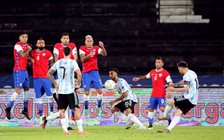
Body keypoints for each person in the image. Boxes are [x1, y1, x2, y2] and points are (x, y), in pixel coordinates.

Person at [47, 47, 87, 135]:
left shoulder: (58, 62)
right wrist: (79, 84)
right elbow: (79, 74)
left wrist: (55, 83)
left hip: (61, 91)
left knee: (62, 111)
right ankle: (80, 131)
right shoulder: (72, 62)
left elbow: (49, 73)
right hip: (70, 90)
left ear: (62, 52)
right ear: (71, 53)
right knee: (76, 109)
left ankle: (65, 131)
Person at [157, 61, 199, 133]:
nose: (179, 70)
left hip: (188, 98)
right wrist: (175, 84)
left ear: (181, 67)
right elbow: (184, 82)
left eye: (179, 69)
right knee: (178, 113)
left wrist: (173, 89)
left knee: (170, 102)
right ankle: (168, 129)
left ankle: (165, 116)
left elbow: (186, 89)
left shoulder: (186, 75)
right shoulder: (192, 73)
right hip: (194, 100)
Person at [132, 57, 172, 129]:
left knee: (162, 108)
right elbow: (146, 76)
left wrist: (170, 91)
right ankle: (150, 125)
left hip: (161, 94)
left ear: (162, 63)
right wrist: (138, 78)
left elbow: (170, 82)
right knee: (151, 109)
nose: (157, 63)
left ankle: (169, 119)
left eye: (159, 62)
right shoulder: (152, 72)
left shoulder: (165, 73)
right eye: (156, 62)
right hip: (153, 94)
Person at [5, 31, 32, 120]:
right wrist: (28, 50)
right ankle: (8, 108)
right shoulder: (17, 45)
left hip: (24, 71)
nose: (25, 38)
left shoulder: (26, 45)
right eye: (23, 37)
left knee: (27, 89)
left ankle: (25, 109)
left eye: (26, 37)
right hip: (18, 71)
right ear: (19, 38)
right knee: (18, 91)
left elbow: (26, 57)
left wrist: (31, 59)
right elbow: (22, 54)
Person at [79, 35, 107, 118]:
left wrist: (102, 47)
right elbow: (82, 59)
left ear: (93, 41)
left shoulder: (96, 48)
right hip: (86, 73)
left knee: (100, 91)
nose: (89, 42)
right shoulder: (82, 48)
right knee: (87, 92)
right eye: (88, 41)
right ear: (85, 42)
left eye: (91, 41)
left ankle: (99, 108)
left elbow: (104, 54)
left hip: (95, 72)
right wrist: (89, 54)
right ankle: (86, 110)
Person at [30, 38, 54, 124]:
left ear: (44, 44)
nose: (41, 44)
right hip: (37, 78)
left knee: (50, 96)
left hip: (46, 77)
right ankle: (41, 116)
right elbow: (27, 57)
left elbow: (52, 62)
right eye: (39, 42)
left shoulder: (48, 53)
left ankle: (51, 112)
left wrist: (51, 70)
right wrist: (30, 59)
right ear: (36, 44)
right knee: (38, 97)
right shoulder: (33, 53)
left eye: (42, 42)